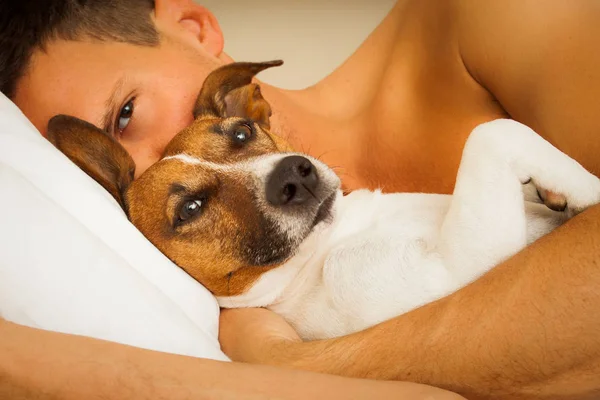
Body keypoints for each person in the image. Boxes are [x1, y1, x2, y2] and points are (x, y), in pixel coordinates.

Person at [1, 0, 599, 398]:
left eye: (126, 114)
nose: (165, 166)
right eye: (104, 189)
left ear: (191, 24)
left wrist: (306, 370)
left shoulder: (494, 18)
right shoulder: (217, 318)